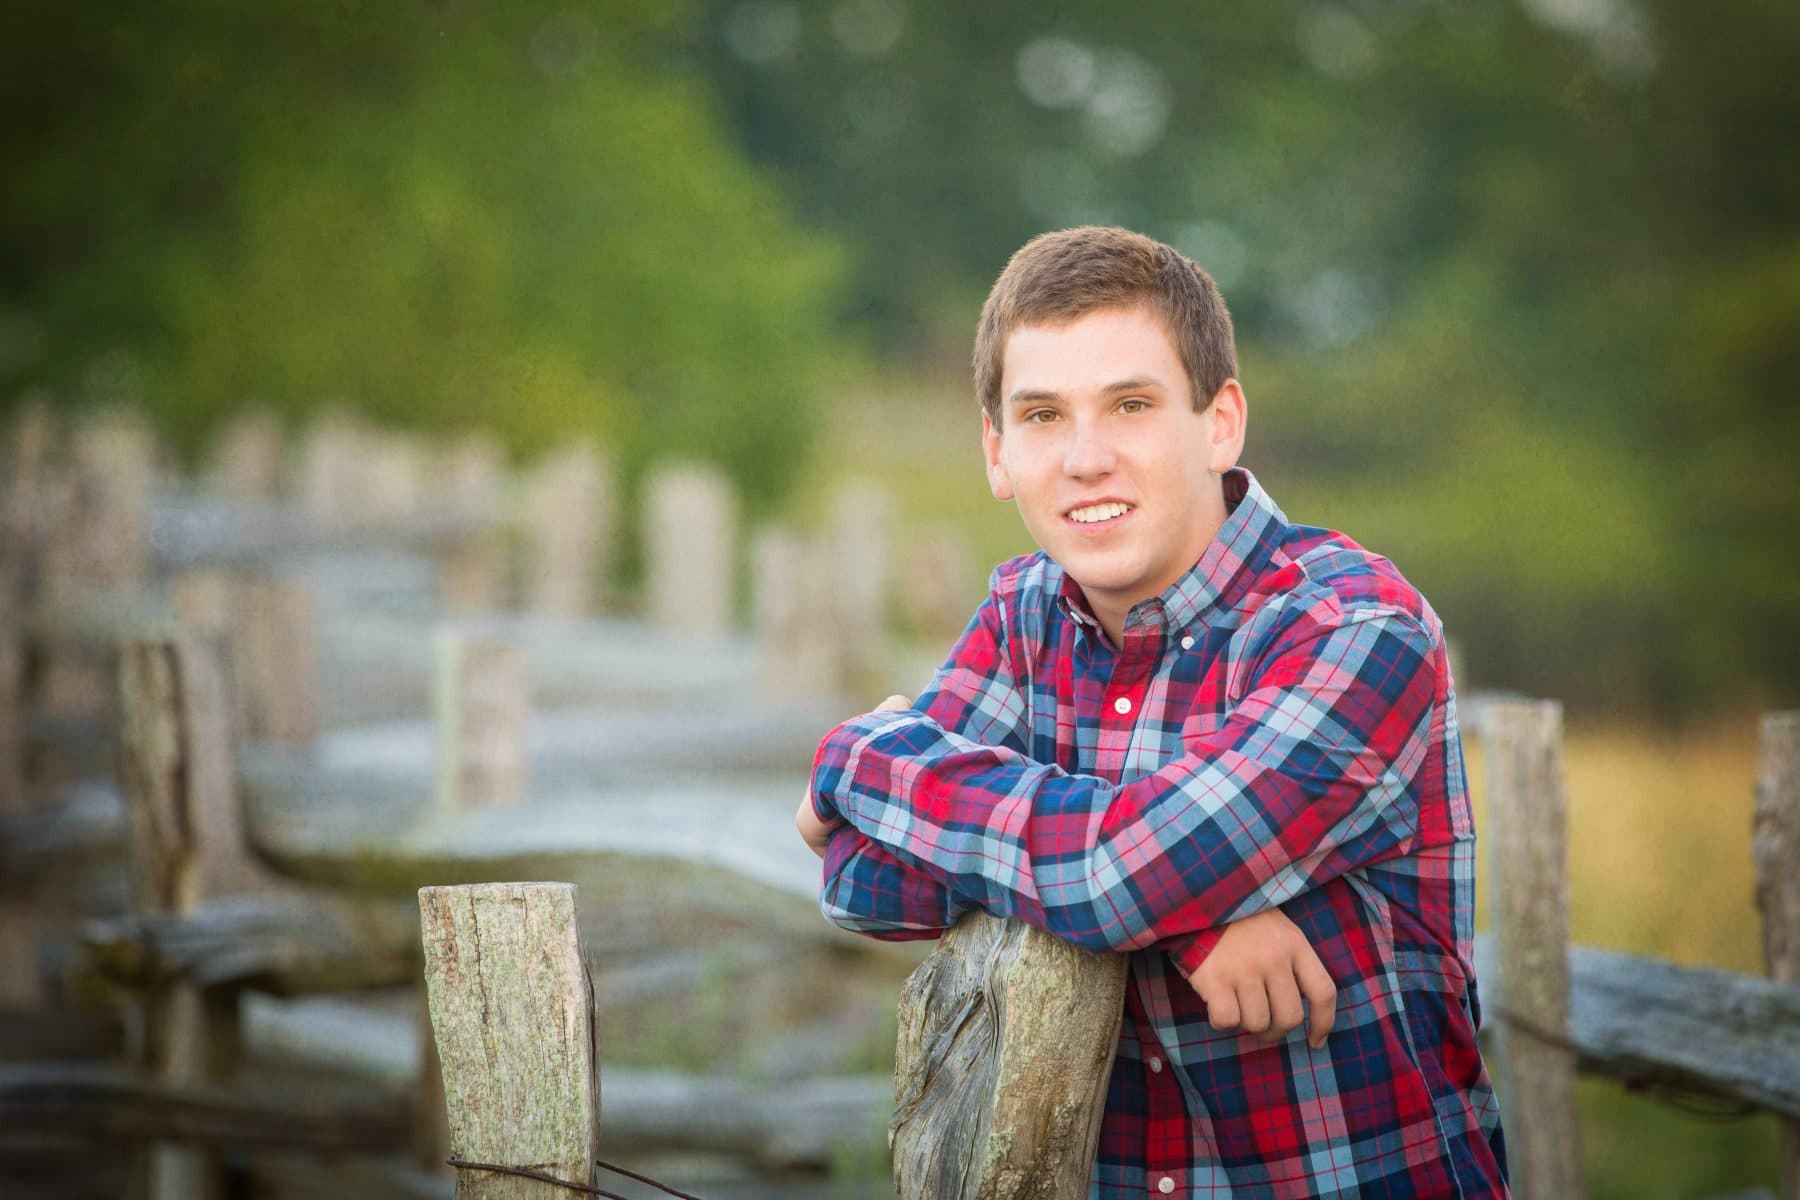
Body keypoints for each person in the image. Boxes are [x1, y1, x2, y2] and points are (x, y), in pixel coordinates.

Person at [795, 225, 1508, 1197]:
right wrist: (1192, 915)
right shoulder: (1024, 616)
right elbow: (860, 879)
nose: (1086, 458)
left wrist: (863, 756)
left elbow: (1112, 875)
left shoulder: (1355, 632)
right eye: (1043, 416)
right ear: (998, 453)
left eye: (1130, 404)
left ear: (1220, 422)